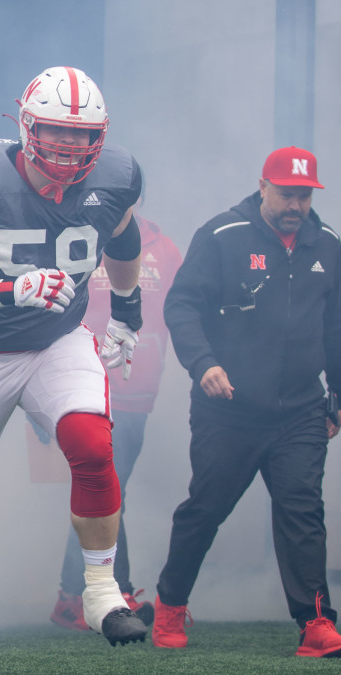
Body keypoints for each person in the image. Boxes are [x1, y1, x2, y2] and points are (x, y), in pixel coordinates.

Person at [0, 66, 149, 666]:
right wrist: (4, 292)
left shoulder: (114, 176)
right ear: (26, 127)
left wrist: (126, 315)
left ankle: (100, 591)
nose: (70, 147)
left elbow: (122, 240)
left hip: (54, 341)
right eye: (57, 132)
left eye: (82, 134)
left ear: (101, 136)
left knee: (92, 444)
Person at [153, 146, 341, 657]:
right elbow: (182, 305)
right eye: (286, 194)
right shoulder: (221, 236)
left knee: (303, 512)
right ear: (262, 186)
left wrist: (338, 398)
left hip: (301, 411)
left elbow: (336, 329)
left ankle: (317, 623)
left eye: (304, 196)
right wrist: (203, 364)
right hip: (228, 408)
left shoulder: (327, 245)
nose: (295, 206)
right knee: (205, 509)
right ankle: (170, 605)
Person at [47, 208, 180, 631]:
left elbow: (175, 313)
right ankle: (105, 590)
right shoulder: (74, 236)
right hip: (87, 388)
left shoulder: (163, 246)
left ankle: (73, 593)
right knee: (106, 487)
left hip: (139, 393)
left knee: (108, 489)